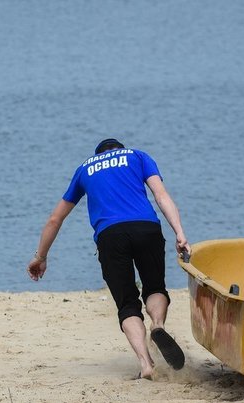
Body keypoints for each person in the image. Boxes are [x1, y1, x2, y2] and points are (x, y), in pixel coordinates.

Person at [27, 138, 191, 379]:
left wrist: (40, 257)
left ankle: (146, 364)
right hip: (146, 228)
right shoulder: (138, 156)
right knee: (154, 287)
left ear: (99, 154)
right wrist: (180, 233)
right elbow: (161, 195)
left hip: (110, 235)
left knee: (127, 304)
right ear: (120, 150)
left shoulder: (85, 168)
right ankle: (157, 325)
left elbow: (55, 219)